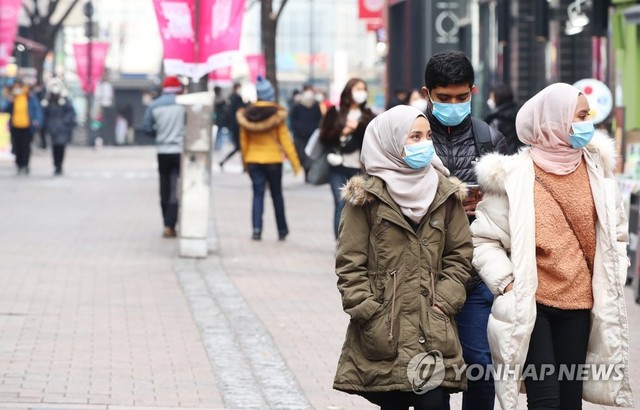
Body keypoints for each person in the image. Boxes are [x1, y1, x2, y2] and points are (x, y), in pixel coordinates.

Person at [470, 82, 633, 409]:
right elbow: (484, 238)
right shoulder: (514, 176)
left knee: (570, 401)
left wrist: (616, 272)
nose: (589, 124)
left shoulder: (598, 173)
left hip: (579, 305)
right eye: (581, 116)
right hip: (532, 304)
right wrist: (507, 284)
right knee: (545, 400)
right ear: (553, 121)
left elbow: (616, 235)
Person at [333, 105, 472, 410]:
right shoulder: (366, 200)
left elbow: (460, 256)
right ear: (391, 142)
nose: (424, 144)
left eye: (427, 136)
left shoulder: (445, 195)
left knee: (434, 404)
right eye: (414, 136)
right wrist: (368, 309)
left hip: (432, 328)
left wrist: (444, 301)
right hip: (386, 331)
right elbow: (349, 264)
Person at [421, 50, 511, 410]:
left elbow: (508, 211)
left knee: (481, 366)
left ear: (473, 91)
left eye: (462, 97)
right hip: (424, 273)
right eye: (444, 98)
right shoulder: (411, 137)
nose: (454, 105)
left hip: (475, 272)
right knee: (429, 371)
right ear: (427, 93)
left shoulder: (490, 138)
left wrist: (483, 207)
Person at [236, 76, 301, 241]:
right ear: (271, 95)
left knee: (257, 195)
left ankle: (256, 230)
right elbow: (286, 141)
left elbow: (244, 142)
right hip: (273, 160)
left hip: (253, 160)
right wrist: (295, 164)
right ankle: (282, 230)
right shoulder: (277, 114)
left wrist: (245, 163)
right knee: (277, 195)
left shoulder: (247, 114)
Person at [318, 78, 375, 239]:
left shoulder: (368, 115)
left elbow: (372, 139)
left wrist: (358, 127)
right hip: (338, 166)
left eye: (363, 89)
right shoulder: (335, 112)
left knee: (359, 206)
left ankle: (357, 241)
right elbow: (324, 137)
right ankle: (340, 241)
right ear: (349, 91)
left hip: (359, 167)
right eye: (357, 88)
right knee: (340, 204)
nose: (361, 92)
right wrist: (343, 132)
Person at [142, 75, 185, 238]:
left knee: (164, 186)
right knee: (175, 187)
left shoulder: (154, 105)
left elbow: (146, 127)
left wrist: (159, 134)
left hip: (162, 151)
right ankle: (171, 223)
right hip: (179, 151)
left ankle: (166, 223)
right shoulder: (183, 105)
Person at [1, 79, 43, 175]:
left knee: (26, 146)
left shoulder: (29, 96)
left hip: (27, 126)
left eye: (18, 86)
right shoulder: (12, 97)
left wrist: (38, 122)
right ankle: (19, 163)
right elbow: (4, 109)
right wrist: (9, 100)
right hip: (15, 126)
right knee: (17, 146)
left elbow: (37, 110)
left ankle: (25, 164)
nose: (16, 88)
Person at [41, 78, 76, 175]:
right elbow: (45, 114)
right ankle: (56, 165)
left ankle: (59, 165)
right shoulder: (48, 100)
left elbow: (71, 113)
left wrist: (64, 122)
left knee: (61, 147)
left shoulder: (65, 100)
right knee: (55, 148)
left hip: (62, 129)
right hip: (53, 128)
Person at [289, 84, 323, 180]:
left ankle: (309, 172)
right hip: (299, 136)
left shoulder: (315, 105)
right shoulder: (297, 105)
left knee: (311, 155)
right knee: (301, 155)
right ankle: (306, 171)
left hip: (312, 135)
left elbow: (319, 118)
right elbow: (292, 119)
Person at [484, 83, 523, 154]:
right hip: (520, 158)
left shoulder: (497, 121)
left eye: (491, 97)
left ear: (499, 98)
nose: (489, 101)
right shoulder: (519, 115)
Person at [218, 82, 245, 170]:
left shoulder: (230, 97)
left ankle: (223, 162)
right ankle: (245, 166)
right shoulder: (236, 98)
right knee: (239, 147)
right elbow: (240, 110)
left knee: (239, 147)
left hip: (233, 126)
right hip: (237, 126)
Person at [213, 85, 230, 151]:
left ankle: (218, 145)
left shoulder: (215, 99)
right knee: (221, 131)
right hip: (222, 117)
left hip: (218, 117)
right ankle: (219, 145)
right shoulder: (222, 98)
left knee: (219, 131)